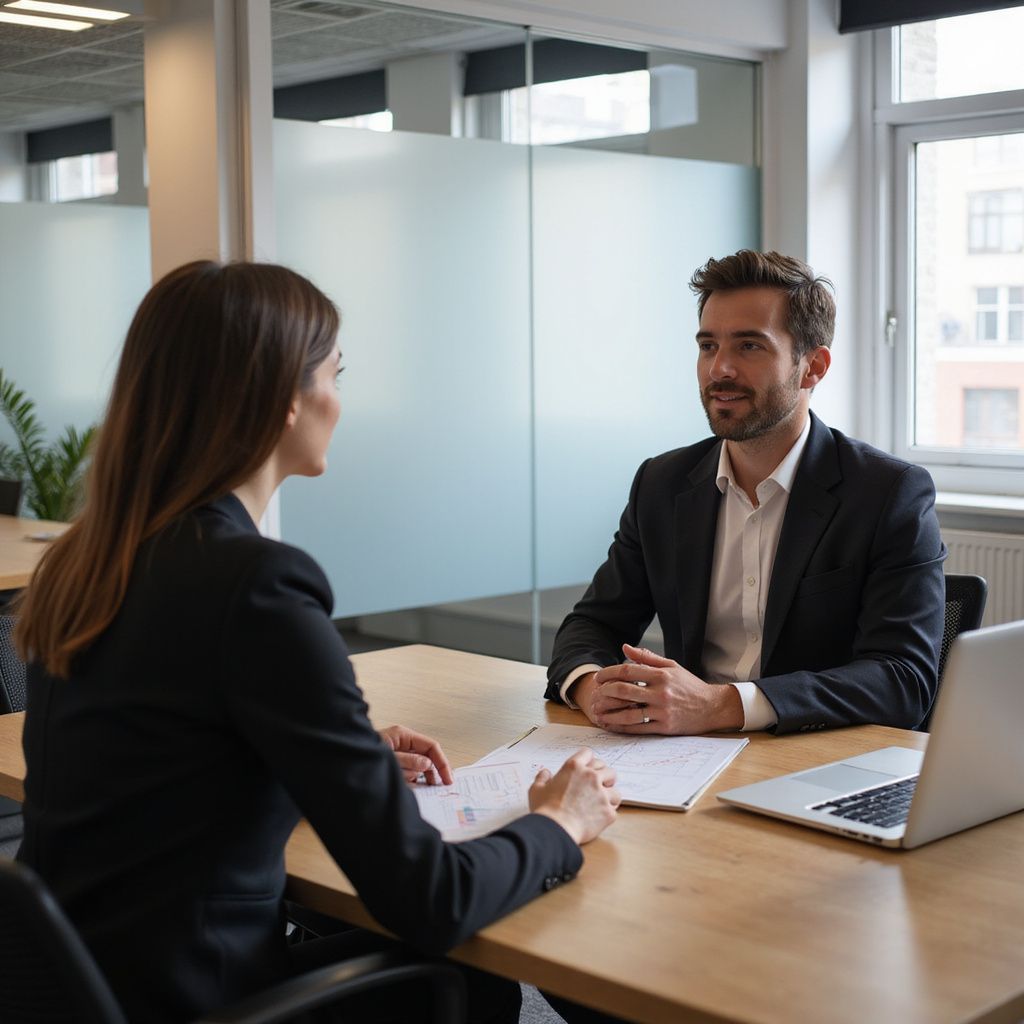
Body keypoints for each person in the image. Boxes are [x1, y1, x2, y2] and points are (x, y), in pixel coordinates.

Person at [14, 260, 620, 1024]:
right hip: (205, 996)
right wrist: (561, 820)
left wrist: (340, 757)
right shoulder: (255, 585)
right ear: (281, 399)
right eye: (335, 374)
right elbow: (431, 900)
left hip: (92, 985)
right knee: (467, 975)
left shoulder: (87, 560)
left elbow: (160, 759)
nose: (339, 400)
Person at [546, 250, 946, 736]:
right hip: (681, 757)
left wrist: (720, 705)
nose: (719, 370)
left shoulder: (888, 494)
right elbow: (593, 625)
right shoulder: (662, 483)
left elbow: (902, 680)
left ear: (813, 367)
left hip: (812, 755)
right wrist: (593, 689)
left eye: (749, 346)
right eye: (708, 346)